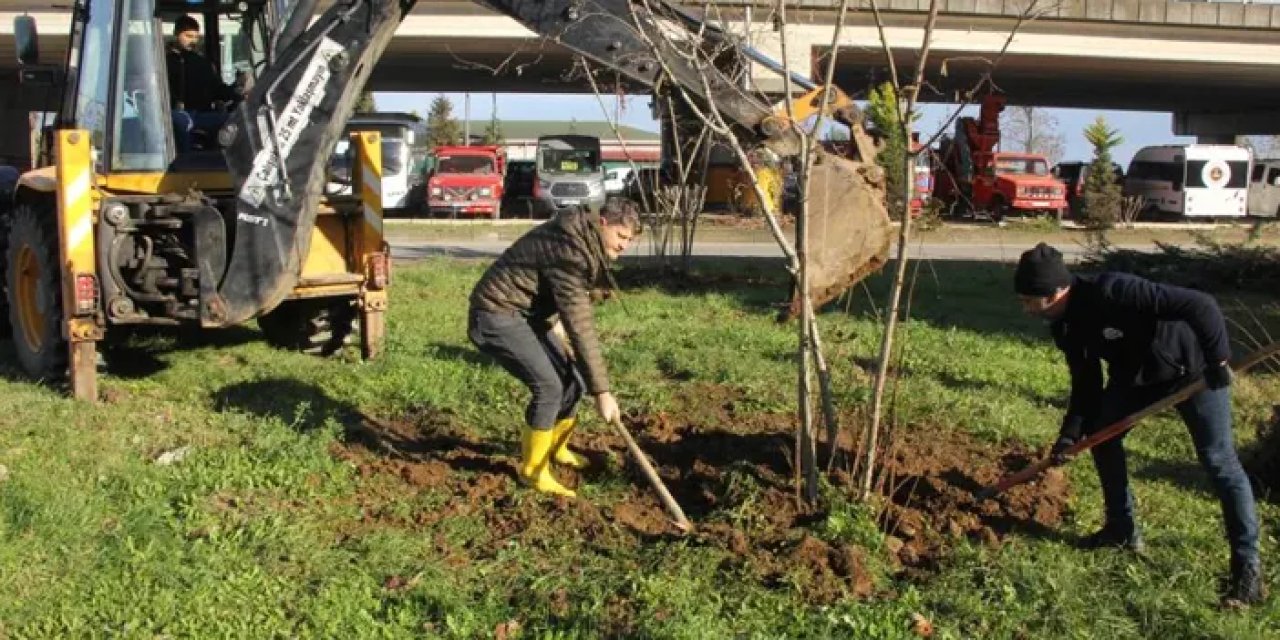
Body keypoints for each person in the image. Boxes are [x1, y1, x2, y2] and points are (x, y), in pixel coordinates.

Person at [1014, 242, 1264, 607]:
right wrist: (1069, 436)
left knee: (1218, 461)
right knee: (1102, 437)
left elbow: (1201, 305)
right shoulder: (1065, 327)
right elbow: (1086, 387)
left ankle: (1247, 571)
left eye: (1028, 300)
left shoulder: (1115, 290)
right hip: (1134, 380)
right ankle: (1121, 529)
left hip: (1193, 372)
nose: (1024, 308)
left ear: (1054, 293)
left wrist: (1217, 359)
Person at [467, 198, 640, 497]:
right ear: (603, 225)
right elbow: (580, 324)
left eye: (630, 240)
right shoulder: (569, 248)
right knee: (549, 387)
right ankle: (533, 471)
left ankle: (557, 449)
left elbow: (568, 294)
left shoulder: (581, 238)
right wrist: (603, 393)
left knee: (575, 381)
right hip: (495, 314)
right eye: (621, 236)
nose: (624, 245)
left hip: (526, 314)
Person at [166, 16, 239, 152]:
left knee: (235, 121)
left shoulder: (202, 63)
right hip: (174, 115)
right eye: (188, 36)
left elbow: (217, 89)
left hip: (201, 115)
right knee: (182, 122)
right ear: (176, 33)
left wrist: (237, 93)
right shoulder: (164, 61)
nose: (193, 41)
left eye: (196, 37)